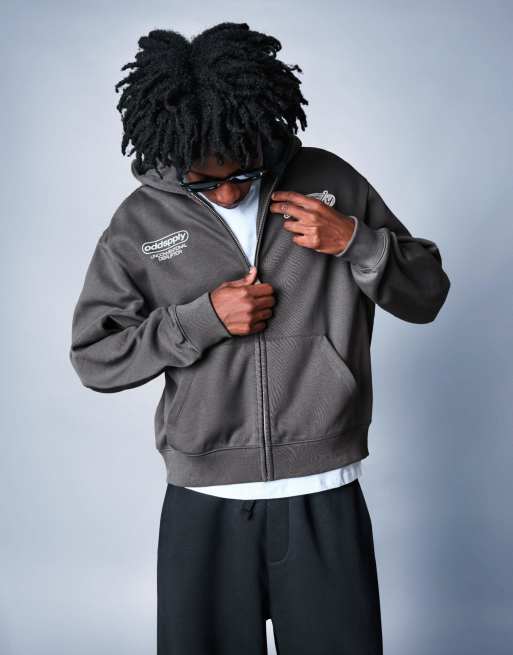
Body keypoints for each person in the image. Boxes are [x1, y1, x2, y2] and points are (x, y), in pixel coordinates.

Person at [69, 22, 451, 654]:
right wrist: (202, 320)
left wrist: (355, 241)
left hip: (322, 492)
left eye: (241, 172)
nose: (226, 192)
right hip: (205, 500)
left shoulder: (329, 180)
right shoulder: (141, 221)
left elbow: (428, 294)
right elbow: (95, 357)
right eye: (204, 180)